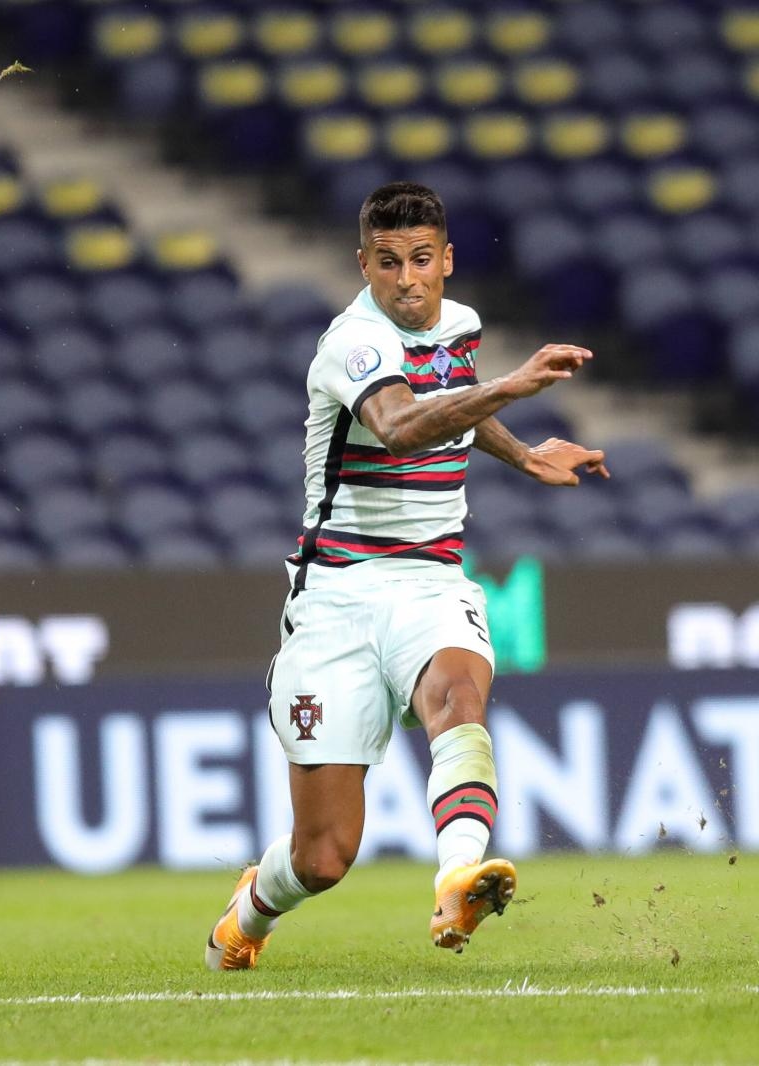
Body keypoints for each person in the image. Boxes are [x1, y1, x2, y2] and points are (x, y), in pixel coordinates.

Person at [205, 182, 610, 970]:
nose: (407, 280)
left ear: (446, 260)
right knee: (324, 856)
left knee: (458, 693)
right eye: (388, 263)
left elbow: (452, 398)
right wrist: (511, 386)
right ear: (364, 265)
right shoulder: (352, 343)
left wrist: (524, 453)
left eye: (422, 260)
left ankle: (457, 877)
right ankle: (247, 915)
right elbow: (396, 425)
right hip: (338, 593)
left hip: (431, 579)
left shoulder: (459, 327)